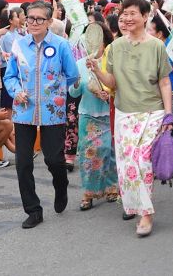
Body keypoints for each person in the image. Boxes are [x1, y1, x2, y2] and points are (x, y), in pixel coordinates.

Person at [88, 0, 173, 237]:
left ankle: (146, 214)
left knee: (142, 161)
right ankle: (138, 208)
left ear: (146, 16)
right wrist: (97, 69)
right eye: (124, 13)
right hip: (125, 112)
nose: (127, 17)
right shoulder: (115, 46)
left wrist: (169, 115)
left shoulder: (157, 45)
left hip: (152, 111)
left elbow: (165, 82)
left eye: (133, 13)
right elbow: (112, 82)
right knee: (127, 166)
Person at [4, 1, 79, 229]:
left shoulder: (61, 45)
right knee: (23, 162)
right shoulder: (19, 45)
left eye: (39, 19)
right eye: (30, 18)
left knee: (53, 159)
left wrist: (55, 92)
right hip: (24, 112)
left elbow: (72, 75)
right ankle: (33, 210)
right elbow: (10, 76)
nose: (33, 23)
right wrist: (17, 92)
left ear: (48, 22)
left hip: (52, 111)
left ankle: (61, 185)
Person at [69, 22, 117, 211]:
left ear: (105, 42)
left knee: (110, 152)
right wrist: (75, 84)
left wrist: (110, 94)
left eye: (98, 41)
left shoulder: (111, 64)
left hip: (109, 114)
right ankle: (89, 193)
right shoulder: (79, 64)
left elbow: (117, 86)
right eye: (90, 40)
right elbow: (73, 94)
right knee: (89, 155)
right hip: (88, 115)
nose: (94, 44)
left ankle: (112, 187)